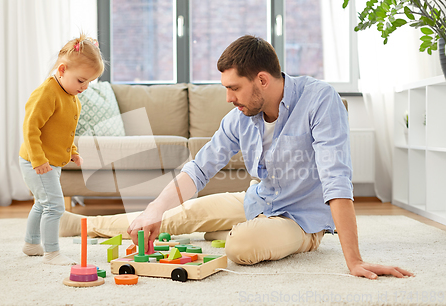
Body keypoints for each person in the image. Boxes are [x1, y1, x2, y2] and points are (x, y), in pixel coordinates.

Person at [60, 35, 413, 279]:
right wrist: (155, 209)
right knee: (176, 214)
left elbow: (337, 179)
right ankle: (80, 224)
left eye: (233, 88)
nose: (228, 98)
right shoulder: (240, 118)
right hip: (257, 201)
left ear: (261, 79)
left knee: (242, 244)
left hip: (302, 220)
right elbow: (198, 170)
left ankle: (235, 232)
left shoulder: (321, 100)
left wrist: (354, 261)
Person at [19, 33, 104, 265]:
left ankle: (31, 243)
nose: (85, 87)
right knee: (55, 206)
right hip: (37, 161)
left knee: (43, 202)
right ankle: (52, 252)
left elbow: (63, 129)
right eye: (81, 81)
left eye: (89, 82)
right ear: (62, 69)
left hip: (51, 162)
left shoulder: (71, 97)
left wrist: (72, 150)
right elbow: (30, 128)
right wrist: (37, 160)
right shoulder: (47, 93)